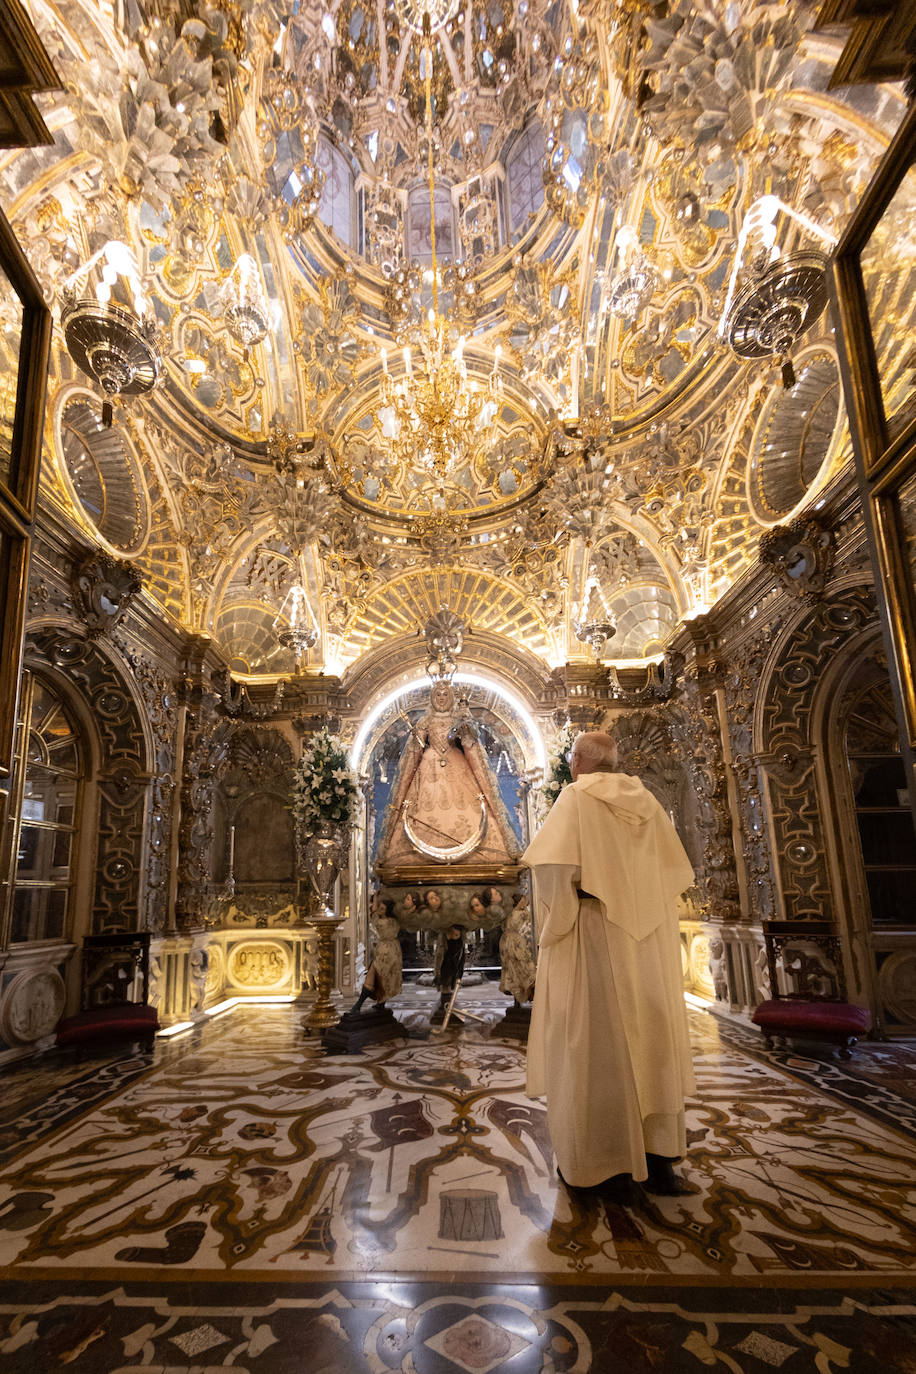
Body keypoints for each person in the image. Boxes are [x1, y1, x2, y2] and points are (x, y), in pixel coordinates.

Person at [523, 731, 695, 1198]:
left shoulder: (575, 799)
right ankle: (659, 1163)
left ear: (578, 761)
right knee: (651, 1044)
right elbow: (674, 871)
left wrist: (555, 923)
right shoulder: (648, 800)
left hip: (593, 937)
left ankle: (604, 1168)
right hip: (648, 941)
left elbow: (552, 871)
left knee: (595, 1043)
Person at [349, 897, 402, 1014]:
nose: (379, 910)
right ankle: (379, 1004)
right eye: (380, 907)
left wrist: (377, 894)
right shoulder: (395, 921)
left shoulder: (381, 922)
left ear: (387, 910)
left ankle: (358, 1005)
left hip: (386, 951)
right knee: (382, 978)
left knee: (374, 975)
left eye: (382, 909)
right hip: (393, 950)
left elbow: (373, 910)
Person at [499, 892, 536, 1005]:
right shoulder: (514, 914)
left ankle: (525, 992)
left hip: (517, 942)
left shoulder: (524, 913)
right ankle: (517, 996)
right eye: (522, 901)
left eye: (525, 900)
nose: (524, 903)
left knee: (522, 967)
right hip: (510, 943)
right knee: (512, 968)